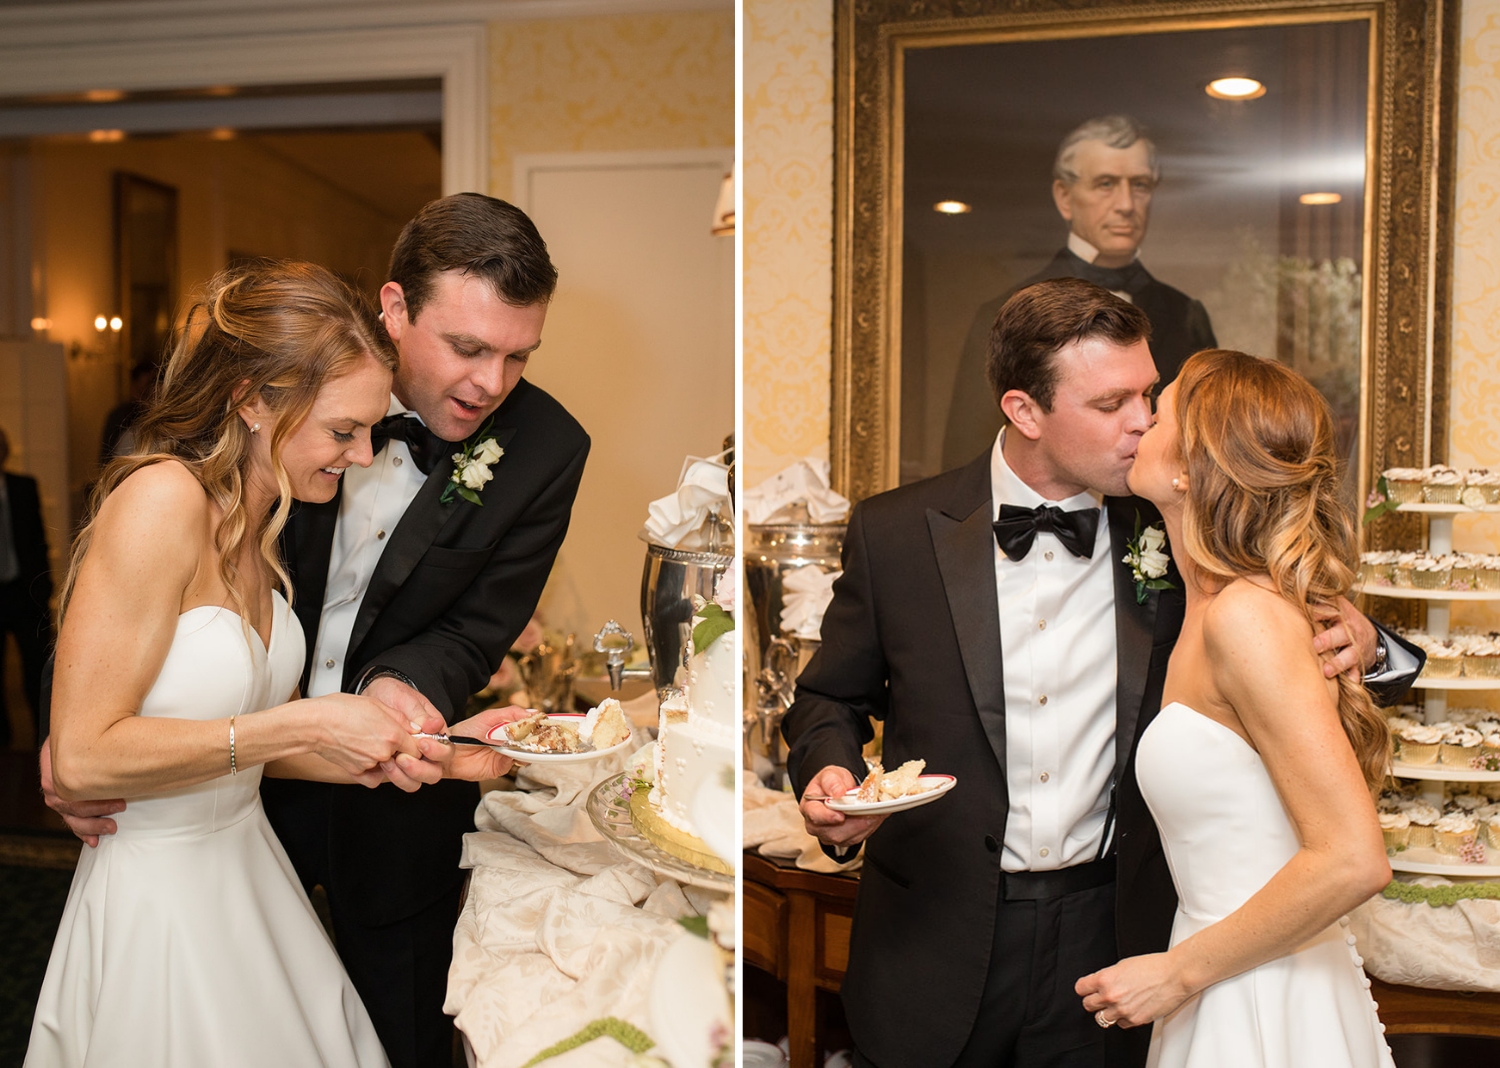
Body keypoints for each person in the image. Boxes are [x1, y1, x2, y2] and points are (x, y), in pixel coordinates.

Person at [782, 277, 1419, 1068]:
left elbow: (1282, 638)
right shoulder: (896, 532)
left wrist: (1359, 637)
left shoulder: (1173, 520)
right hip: (936, 941)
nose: (1143, 421)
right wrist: (833, 772)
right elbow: (827, 697)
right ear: (1025, 411)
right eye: (1111, 403)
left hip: (1119, 937)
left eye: (1150, 395)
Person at [27, 262, 520, 1068]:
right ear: (252, 401)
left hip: (245, 870)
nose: (363, 454)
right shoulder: (162, 501)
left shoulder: (260, 530)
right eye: (341, 431)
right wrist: (298, 717)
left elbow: (276, 749)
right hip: (160, 902)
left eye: (368, 428)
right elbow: (82, 758)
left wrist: (450, 753)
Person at [1076, 348, 1395, 1065]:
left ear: (1192, 467)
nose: (1139, 421)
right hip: (1223, 969)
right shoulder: (1208, 604)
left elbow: (1353, 859)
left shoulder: (1245, 617)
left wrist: (1176, 972)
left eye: (1159, 410)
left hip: (1260, 993)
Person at [942, 115, 1218, 471]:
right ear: (1065, 197)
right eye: (1105, 184)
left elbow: (1211, 448)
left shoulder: (1185, 314)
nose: (1126, 204)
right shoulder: (1001, 312)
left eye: (1140, 185)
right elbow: (967, 456)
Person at [0, 425, 52, 748]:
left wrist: (45, 589)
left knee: (37, 672)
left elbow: (39, 542)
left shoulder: (24, 488)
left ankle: (42, 742)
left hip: (24, 595)